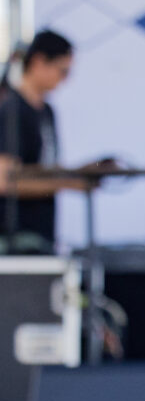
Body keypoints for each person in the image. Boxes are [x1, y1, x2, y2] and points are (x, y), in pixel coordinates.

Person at [0, 30, 96, 252]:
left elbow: (41, 166)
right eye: (62, 70)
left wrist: (76, 173)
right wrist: (66, 183)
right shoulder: (11, 110)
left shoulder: (47, 111)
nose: (65, 79)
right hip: (15, 239)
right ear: (39, 61)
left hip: (42, 233)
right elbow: (5, 181)